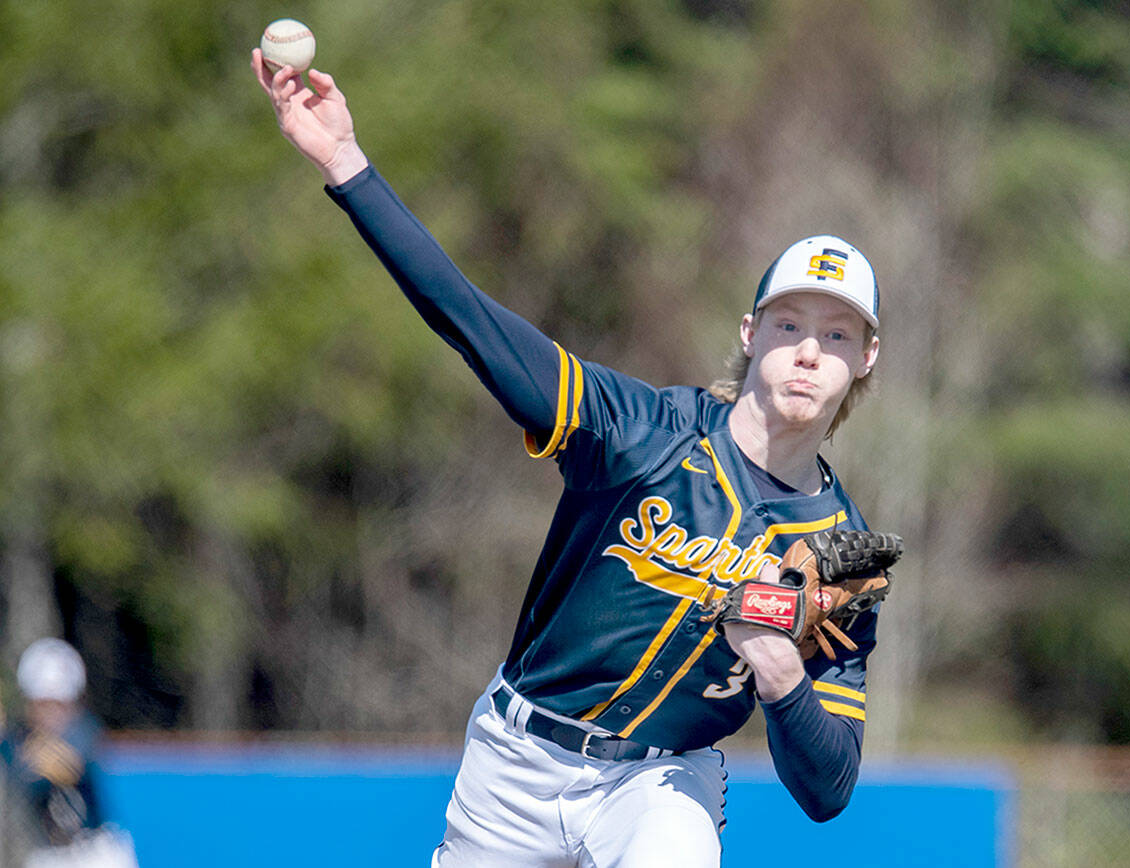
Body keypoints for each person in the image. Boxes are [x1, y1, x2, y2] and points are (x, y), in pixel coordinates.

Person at [253, 50, 887, 868]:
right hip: (514, 765)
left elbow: (830, 790)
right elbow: (471, 321)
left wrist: (780, 676)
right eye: (790, 324)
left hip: (659, 786)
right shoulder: (644, 432)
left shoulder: (845, 556)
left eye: (837, 335)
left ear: (866, 358)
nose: (809, 352)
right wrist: (347, 165)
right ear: (750, 333)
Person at [0, 639, 136, 868]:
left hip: (96, 854)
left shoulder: (84, 731)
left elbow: (58, 765)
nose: (51, 714)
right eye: (43, 704)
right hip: (50, 855)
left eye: (58, 704)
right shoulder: (19, 739)